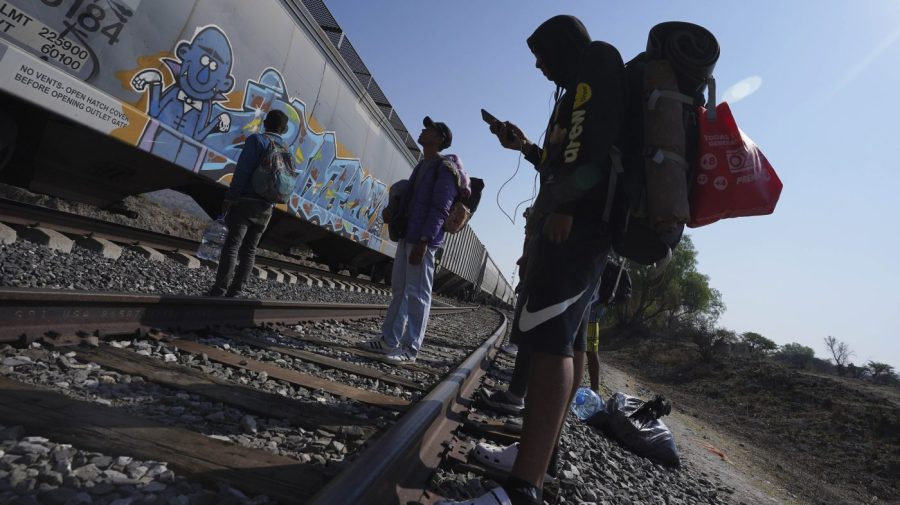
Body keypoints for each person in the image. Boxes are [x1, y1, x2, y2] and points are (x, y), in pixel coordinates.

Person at [437, 15, 626, 505]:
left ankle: (523, 488)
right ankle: (538, 456)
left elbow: (593, 144)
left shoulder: (594, 66)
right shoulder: (581, 81)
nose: (539, 66)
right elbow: (567, 157)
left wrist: (565, 206)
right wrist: (523, 147)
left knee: (548, 343)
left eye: (541, 55)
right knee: (567, 339)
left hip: (575, 226)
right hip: (582, 223)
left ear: (563, 47)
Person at [361, 117, 463, 363]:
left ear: (440, 139)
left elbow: (440, 208)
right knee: (401, 290)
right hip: (409, 235)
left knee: (418, 294)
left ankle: (410, 349)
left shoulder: (445, 169)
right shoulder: (422, 166)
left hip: (423, 241)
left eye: (429, 129)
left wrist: (425, 241)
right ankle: (389, 340)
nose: (423, 130)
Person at [207, 109, 290, 297]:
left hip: (246, 202)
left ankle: (219, 289)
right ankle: (236, 291)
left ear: (265, 123)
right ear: (284, 129)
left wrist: (230, 197)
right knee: (250, 250)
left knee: (232, 246)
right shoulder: (286, 149)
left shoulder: (256, 141)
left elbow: (243, 171)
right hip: (267, 207)